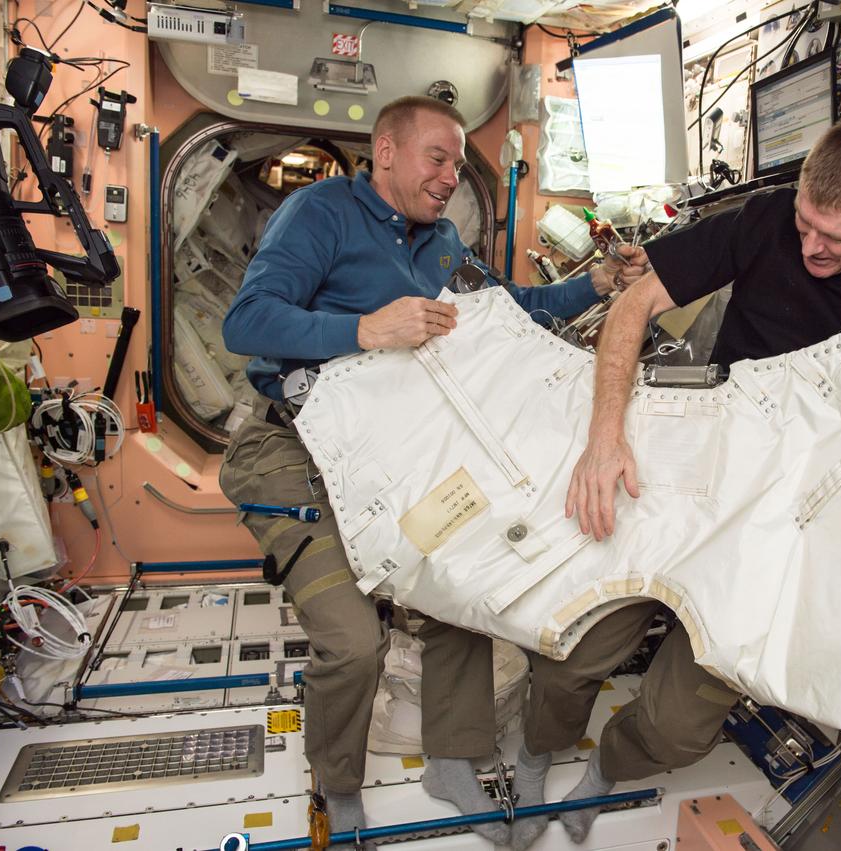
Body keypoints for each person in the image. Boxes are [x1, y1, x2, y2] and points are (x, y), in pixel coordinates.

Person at [507, 114, 841, 850]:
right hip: (689, 467)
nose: (810, 247)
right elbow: (635, 303)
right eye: (804, 223)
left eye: (835, 238)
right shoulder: (765, 219)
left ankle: (607, 771)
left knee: (677, 727)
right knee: (570, 648)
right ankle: (537, 748)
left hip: (777, 521)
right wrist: (604, 437)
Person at [218, 95, 640, 848]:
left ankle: (449, 755)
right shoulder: (321, 213)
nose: (448, 176)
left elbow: (514, 307)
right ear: (384, 152)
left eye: (455, 163)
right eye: (435, 158)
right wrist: (364, 330)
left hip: (393, 459)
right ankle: (337, 782)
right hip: (292, 454)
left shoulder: (441, 242)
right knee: (352, 641)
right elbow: (245, 321)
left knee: (461, 589)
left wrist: (603, 282)